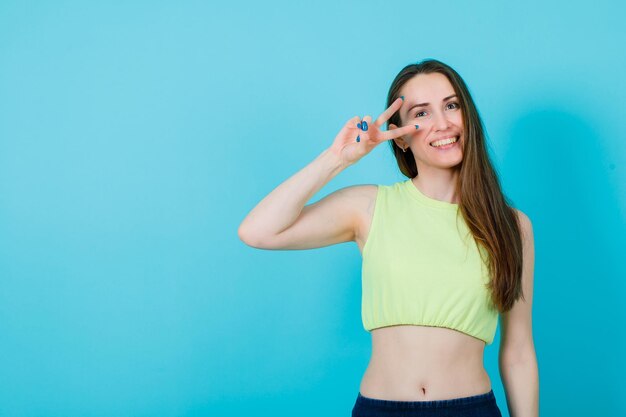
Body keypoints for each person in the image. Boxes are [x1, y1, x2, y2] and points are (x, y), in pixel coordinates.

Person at [238, 58, 539, 417]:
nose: (442, 123)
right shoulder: (368, 207)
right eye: (421, 114)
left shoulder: (510, 225)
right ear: (400, 139)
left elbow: (518, 351)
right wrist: (338, 158)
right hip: (381, 410)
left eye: (451, 105)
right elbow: (258, 231)